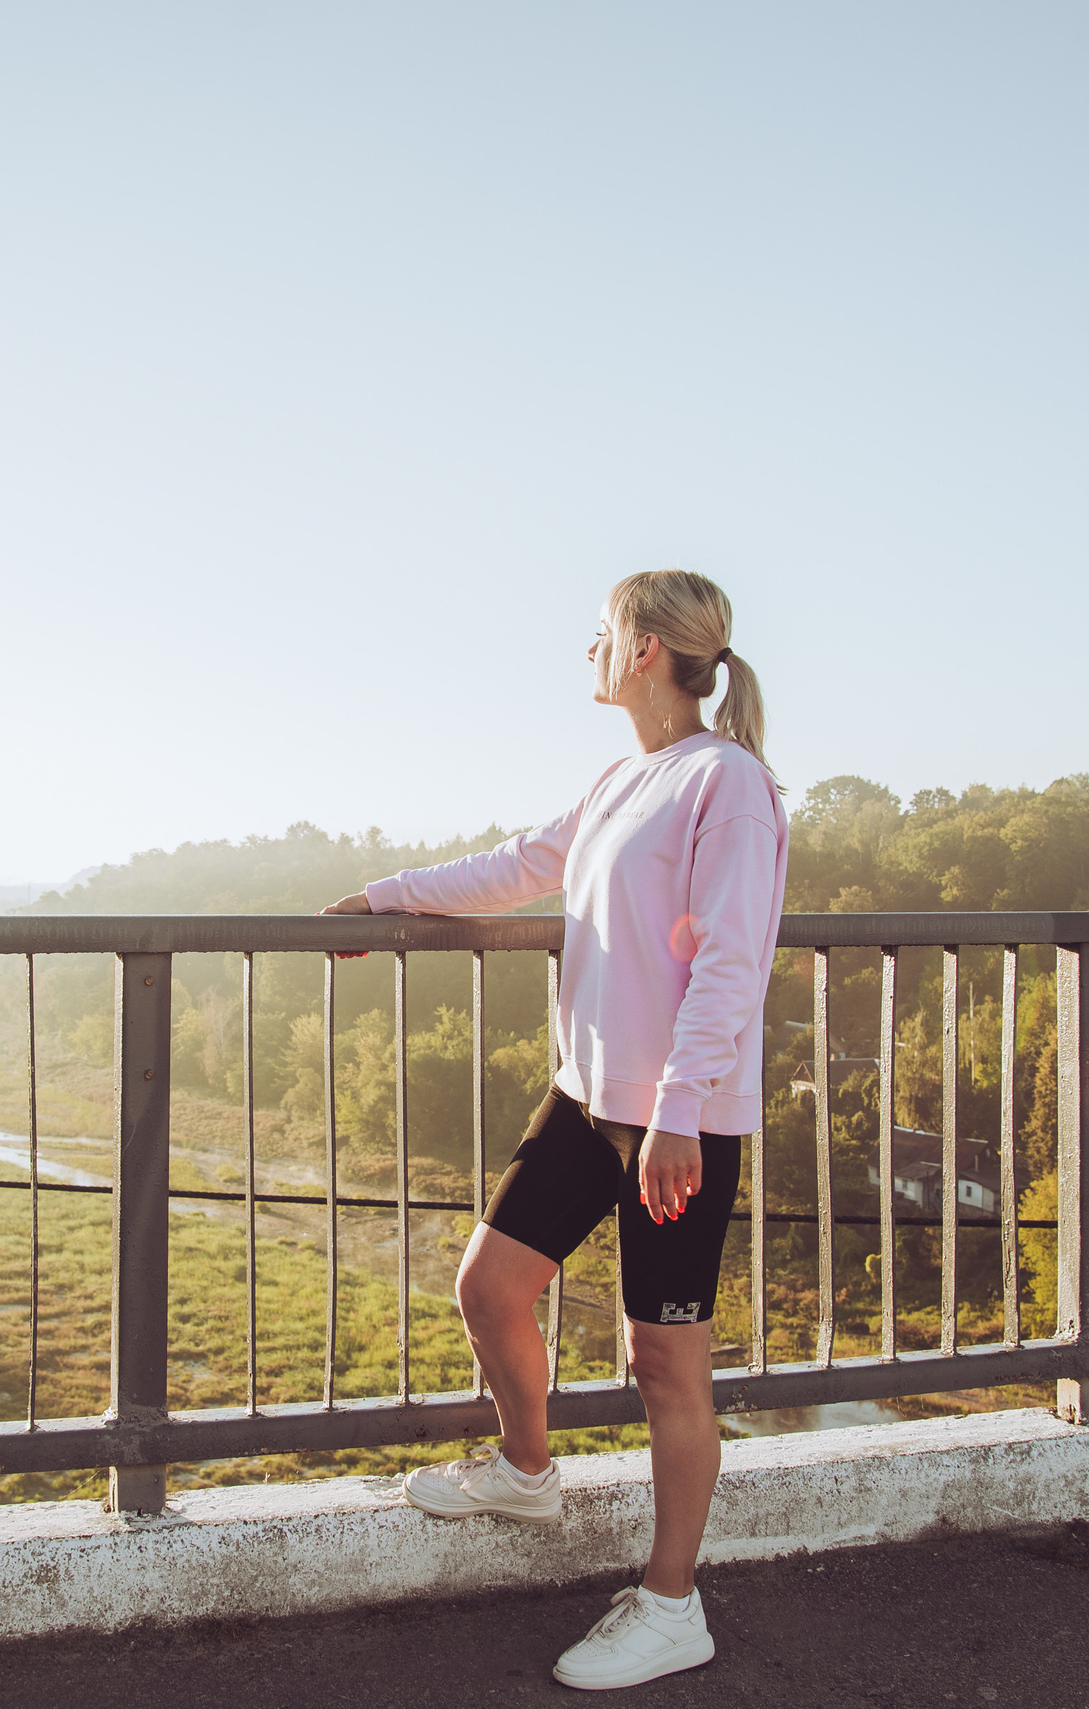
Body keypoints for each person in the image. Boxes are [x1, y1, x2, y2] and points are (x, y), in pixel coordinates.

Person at [321, 568, 788, 1691]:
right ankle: (527, 1468)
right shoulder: (622, 779)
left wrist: (676, 1117)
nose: (584, 649)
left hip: (675, 1118)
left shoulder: (726, 783)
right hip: (588, 1101)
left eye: (597, 632)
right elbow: (514, 866)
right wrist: (381, 899)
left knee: (663, 1361)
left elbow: (731, 959)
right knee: (489, 1285)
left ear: (642, 651)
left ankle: (672, 1604)